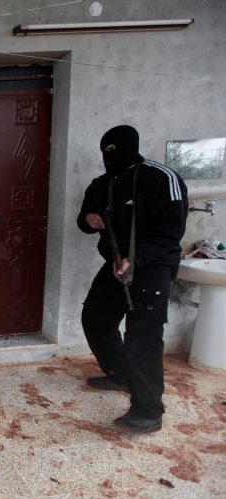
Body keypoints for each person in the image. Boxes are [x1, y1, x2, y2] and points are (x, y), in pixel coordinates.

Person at [77, 125, 188, 433]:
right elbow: (84, 218)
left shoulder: (161, 178)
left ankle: (149, 410)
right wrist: (89, 219)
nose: (108, 158)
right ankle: (120, 373)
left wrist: (135, 260)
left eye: (113, 151)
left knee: (142, 335)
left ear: (130, 147)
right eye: (105, 152)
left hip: (152, 265)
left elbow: (171, 233)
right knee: (96, 317)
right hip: (117, 264)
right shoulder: (102, 185)